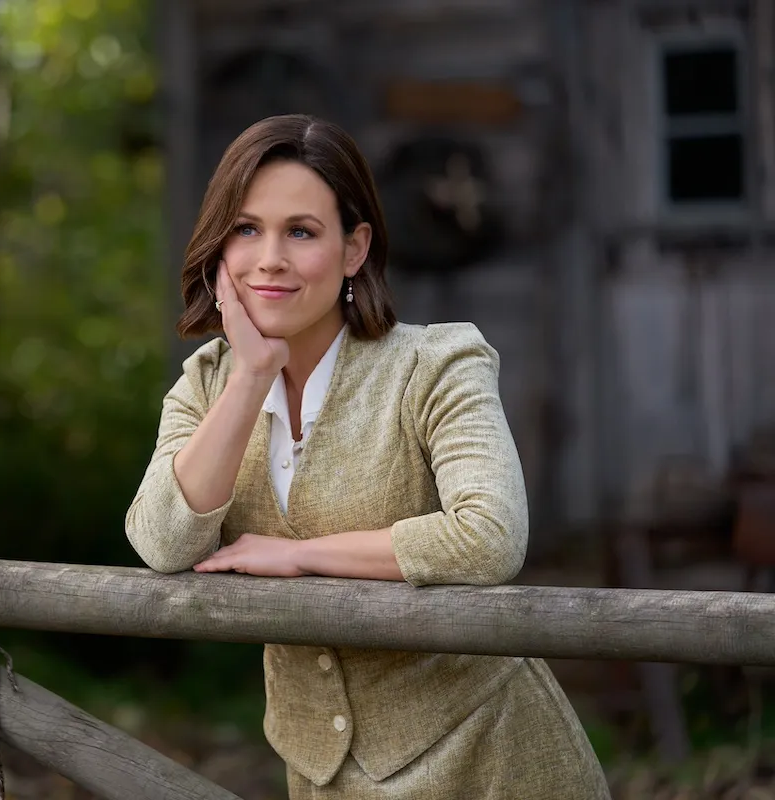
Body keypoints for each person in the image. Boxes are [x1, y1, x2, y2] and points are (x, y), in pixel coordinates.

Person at [124, 114, 610, 799]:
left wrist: (300, 553)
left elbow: (491, 537)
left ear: (354, 249)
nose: (269, 258)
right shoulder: (210, 382)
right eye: (245, 229)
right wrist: (250, 378)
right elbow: (163, 540)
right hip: (323, 771)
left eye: (301, 231)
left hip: (487, 753)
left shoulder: (437, 364)